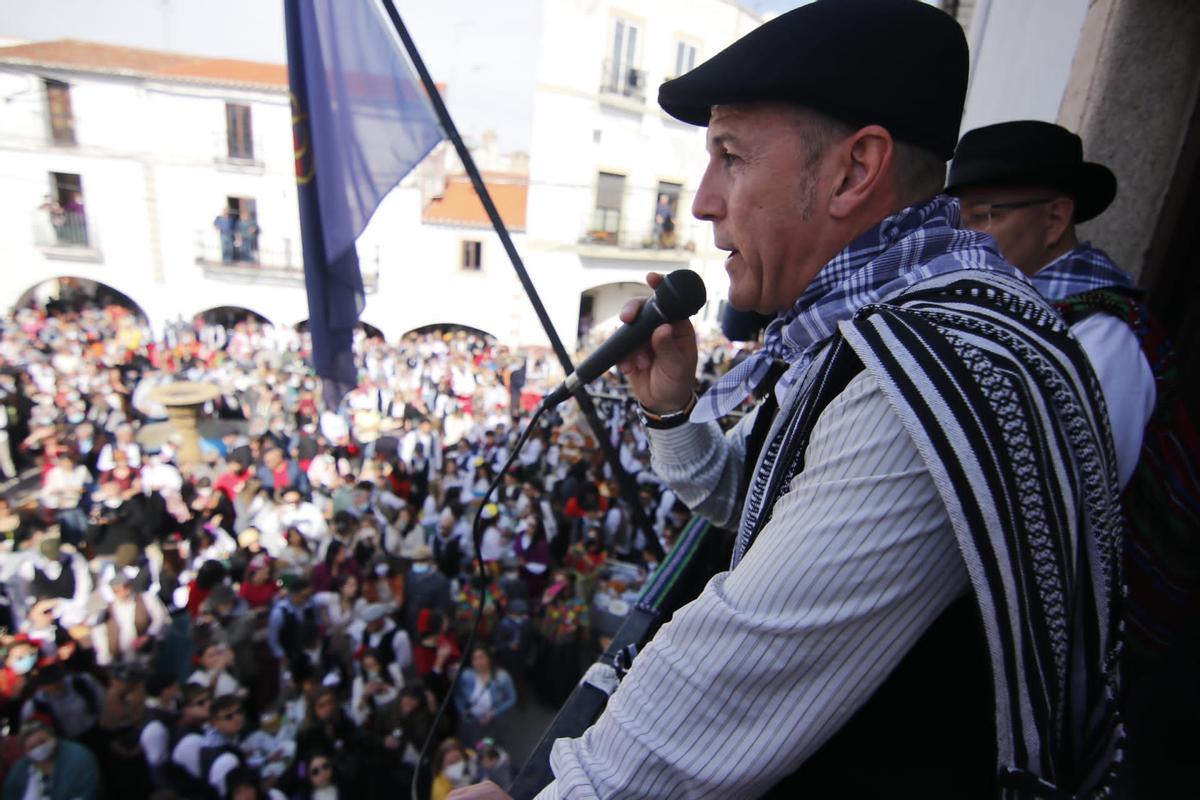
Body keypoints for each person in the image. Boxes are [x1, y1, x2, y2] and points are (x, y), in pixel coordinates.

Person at [451, 1, 1122, 798]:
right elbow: (754, 498)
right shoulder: (885, 326)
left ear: (853, 170)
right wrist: (671, 410)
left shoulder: (926, 372)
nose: (702, 201)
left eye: (729, 156)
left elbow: (736, 668)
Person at [1, 718, 102, 800]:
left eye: (42, 742)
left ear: (52, 737)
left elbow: (90, 791)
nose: (39, 748)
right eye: (32, 747)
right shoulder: (20, 770)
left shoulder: (79, 757)